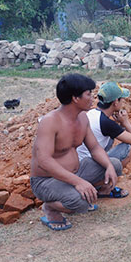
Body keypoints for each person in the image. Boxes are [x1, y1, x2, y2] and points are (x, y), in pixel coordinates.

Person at [30, 74, 122, 231]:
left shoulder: (82, 118)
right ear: (75, 98)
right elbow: (44, 160)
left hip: (76, 172)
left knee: (115, 165)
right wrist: (78, 182)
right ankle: (50, 207)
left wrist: (108, 166)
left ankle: (86, 191)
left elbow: (94, 148)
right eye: (88, 94)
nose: (92, 98)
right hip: (47, 181)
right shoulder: (50, 122)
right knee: (80, 204)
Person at [76, 82, 131, 198]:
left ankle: (99, 184)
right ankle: (104, 188)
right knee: (128, 149)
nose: (123, 102)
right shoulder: (106, 123)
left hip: (81, 166)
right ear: (115, 102)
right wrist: (125, 122)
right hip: (85, 170)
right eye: (121, 100)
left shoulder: (93, 113)